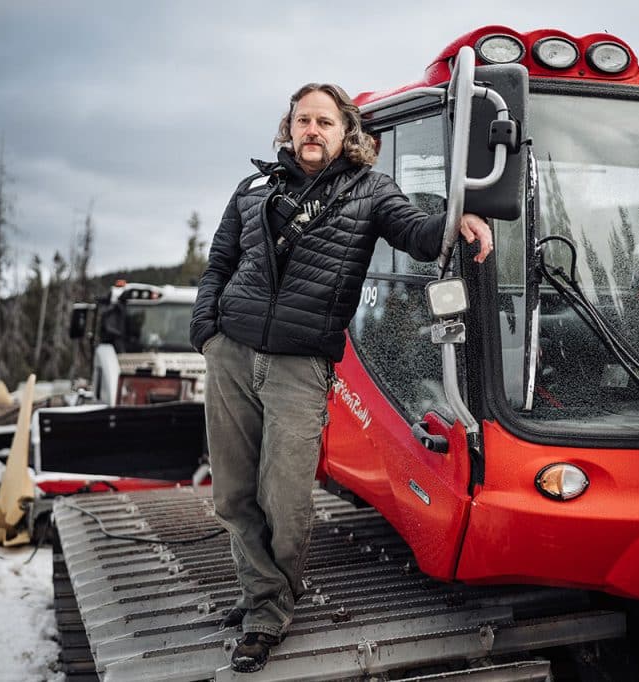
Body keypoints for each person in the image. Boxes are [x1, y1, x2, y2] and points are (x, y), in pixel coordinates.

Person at [189, 83, 492, 673]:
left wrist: (457, 220)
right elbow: (219, 263)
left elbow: (416, 232)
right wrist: (207, 333)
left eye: (324, 122)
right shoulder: (253, 189)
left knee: (284, 496)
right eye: (303, 120)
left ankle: (266, 607)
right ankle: (263, 598)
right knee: (232, 493)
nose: (312, 130)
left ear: (345, 131)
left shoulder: (371, 191)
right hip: (232, 354)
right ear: (289, 127)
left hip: (300, 365)